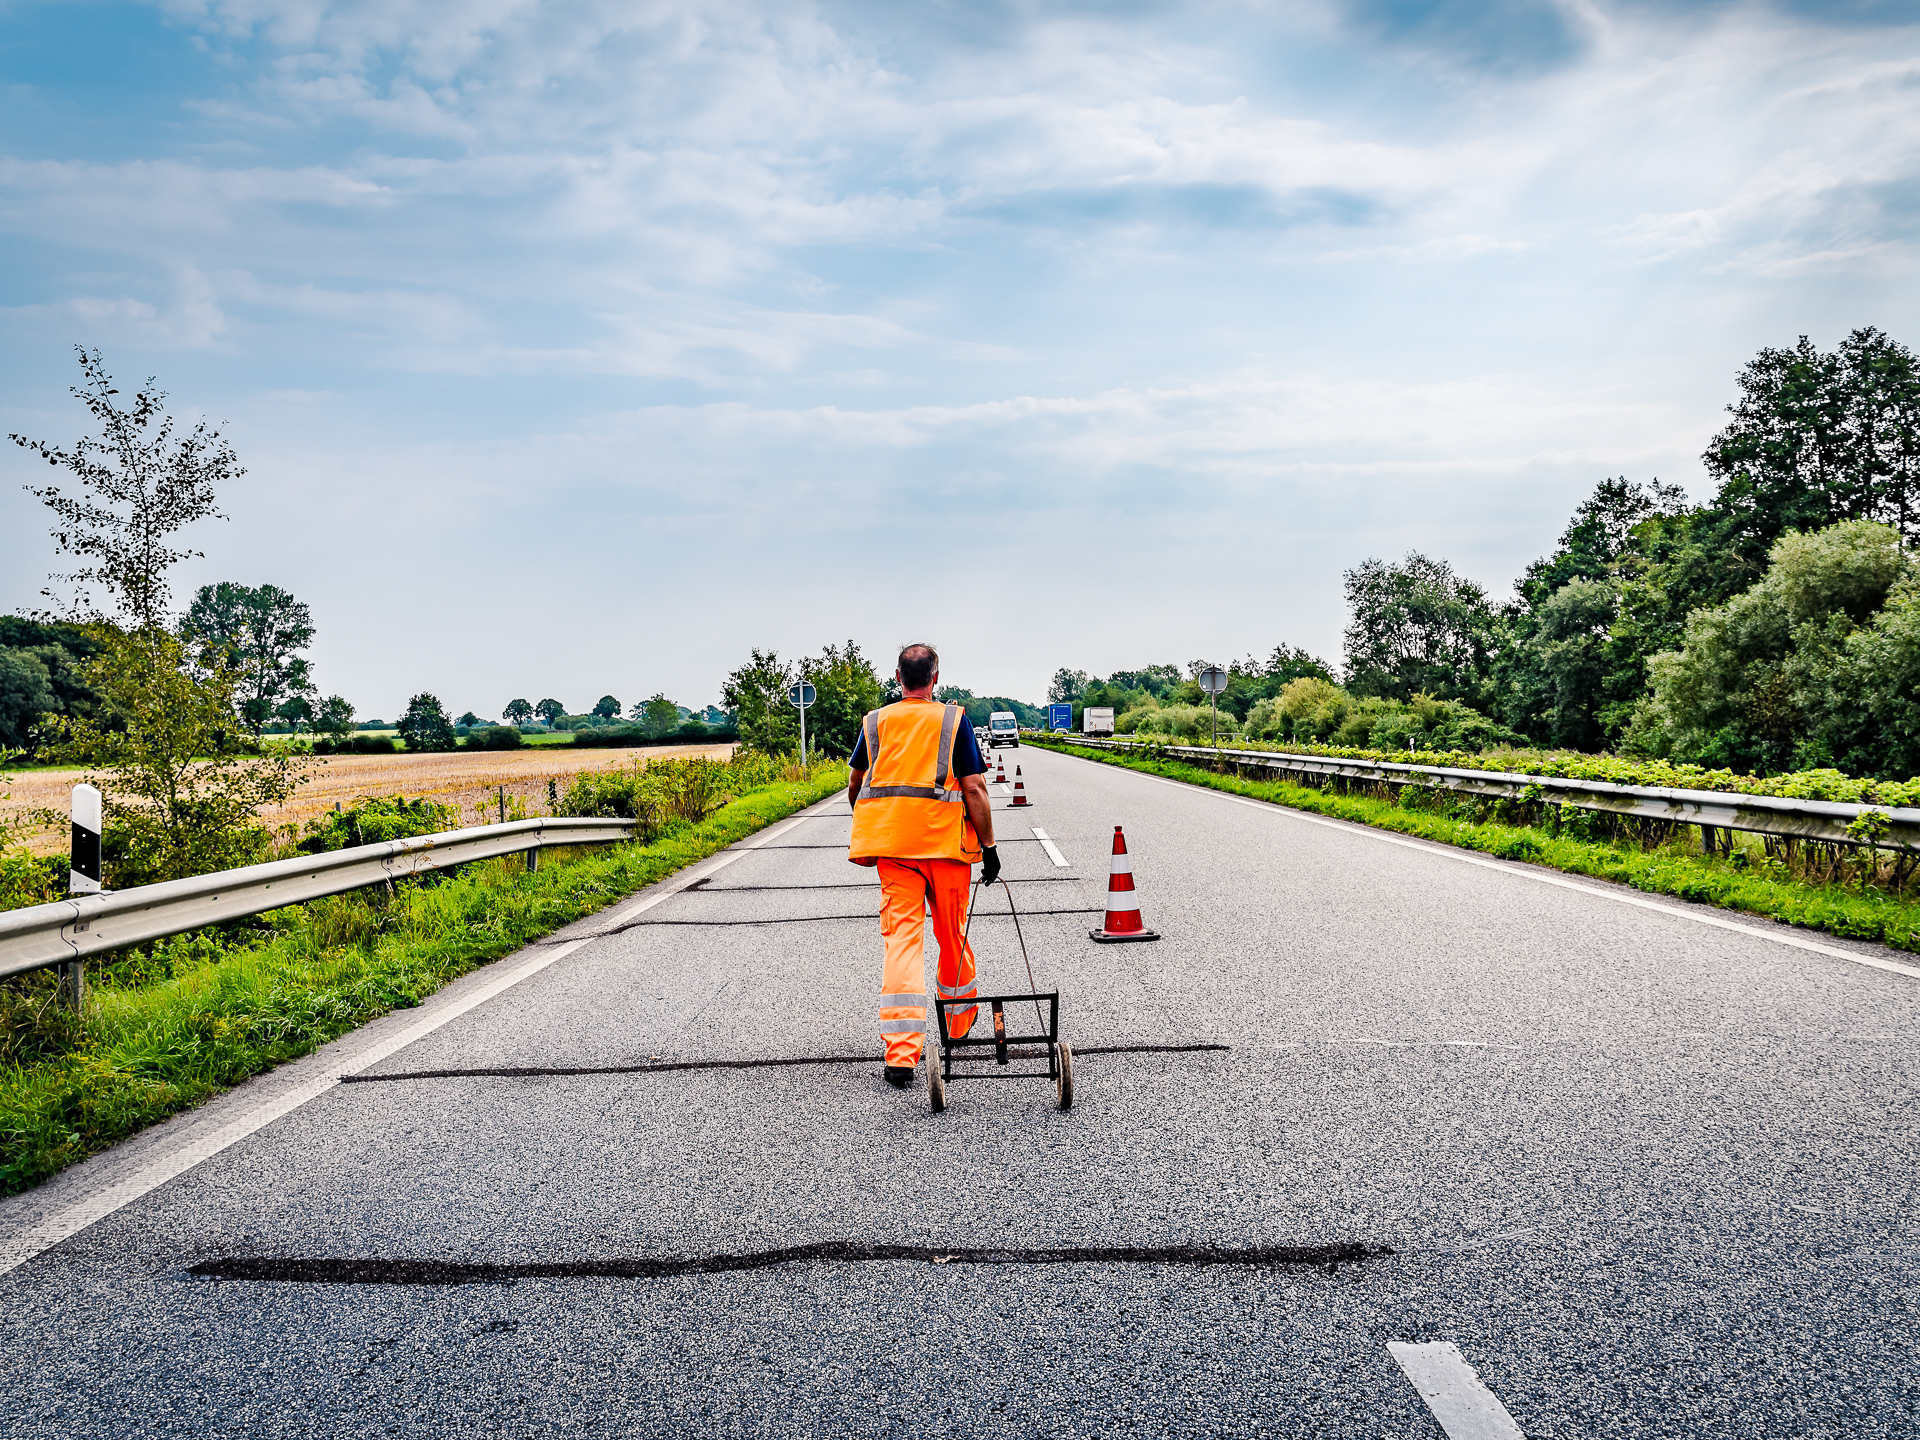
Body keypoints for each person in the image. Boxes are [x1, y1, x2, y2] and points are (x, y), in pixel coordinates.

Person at [846, 643, 1000, 1089]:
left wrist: (874, 821)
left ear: (898, 677)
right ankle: (956, 1026)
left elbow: (856, 784)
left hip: (896, 851)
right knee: (951, 934)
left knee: (902, 943)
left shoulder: (875, 721)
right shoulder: (953, 720)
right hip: (947, 850)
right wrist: (988, 846)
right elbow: (973, 789)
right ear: (936, 677)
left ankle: (901, 1054)